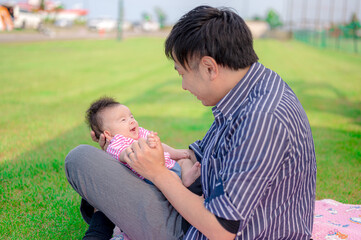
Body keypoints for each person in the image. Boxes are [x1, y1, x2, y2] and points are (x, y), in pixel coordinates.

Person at [65, 5, 316, 240]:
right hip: (197, 200)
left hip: (199, 228)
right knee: (111, 167)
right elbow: (201, 152)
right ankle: (107, 210)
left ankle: (101, 222)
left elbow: (221, 230)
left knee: (80, 160)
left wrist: (159, 173)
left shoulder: (261, 119)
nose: (183, 86)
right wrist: (162, 159)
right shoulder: (254, 88)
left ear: (209, 68)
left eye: (182, 73)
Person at [85, 96, 201, 187]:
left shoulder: (139, 132)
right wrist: (143, 146)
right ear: (108, 134)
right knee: (170, 180)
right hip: (152, 177)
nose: (131, 121)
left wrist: (175, 152)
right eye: (123, 120)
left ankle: (186, 178)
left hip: (168, 165)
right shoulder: (116, 144)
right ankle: (181, 185)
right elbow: (125, 154)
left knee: (184, 161)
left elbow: (160, 146)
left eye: (131, 116)